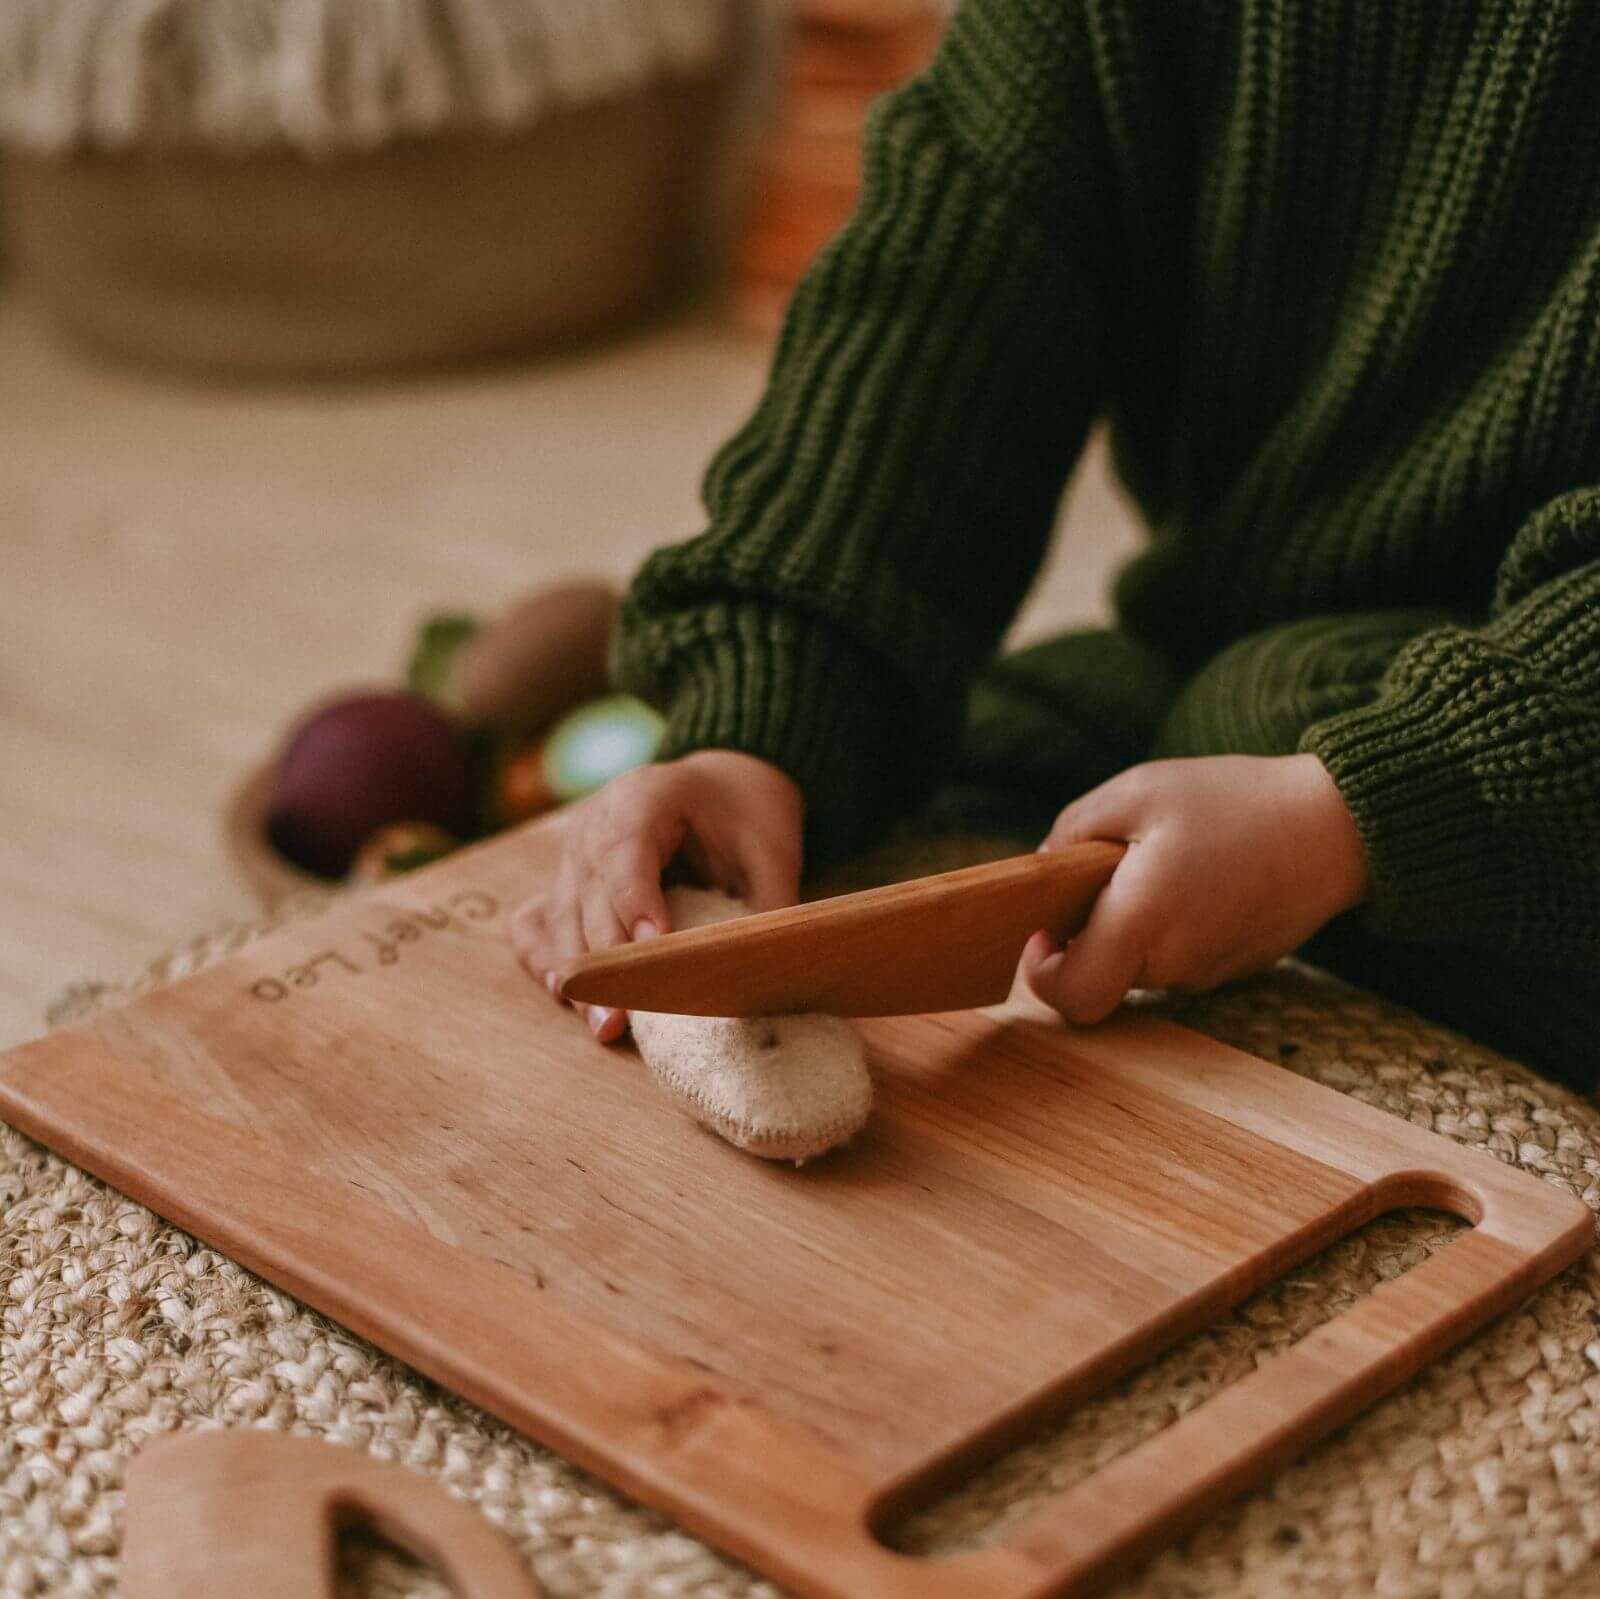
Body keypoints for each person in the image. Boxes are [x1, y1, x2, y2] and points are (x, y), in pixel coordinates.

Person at [511, 0, 1600, 1091]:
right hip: (1244, 655)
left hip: (1545, 711)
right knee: (1008, 745)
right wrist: (766, 714)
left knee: (1254, 706)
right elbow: (945, 294)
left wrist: (1369, 807)